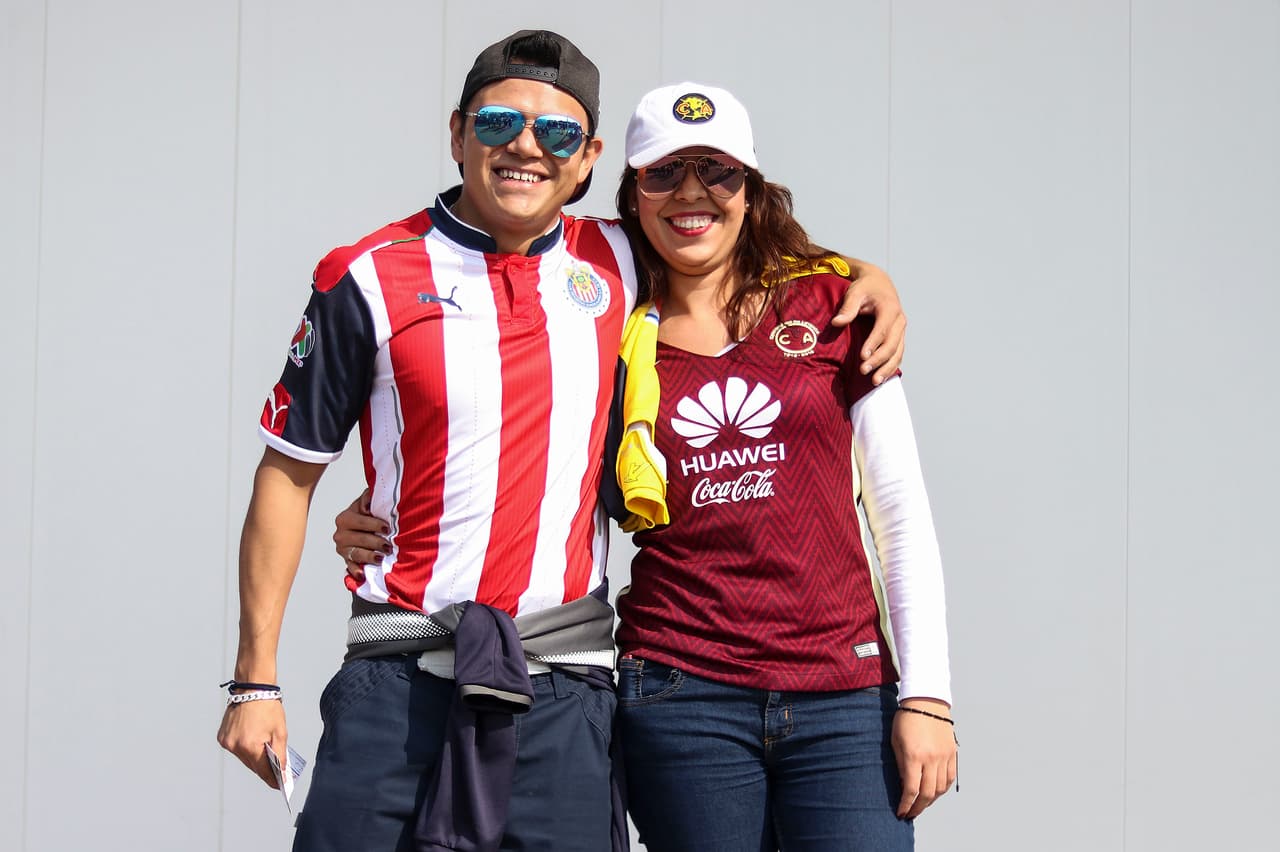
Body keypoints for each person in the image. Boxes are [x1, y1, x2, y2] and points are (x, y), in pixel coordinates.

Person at [220, 28, 905, 852]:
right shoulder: (364, 274)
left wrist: (865, 275)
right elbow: (286, 475)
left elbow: (726, 239)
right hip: (398, 677)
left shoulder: (619, 258)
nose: (525, 148)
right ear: (456, 132)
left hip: (564, 687)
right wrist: (252, 680)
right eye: (499, 121)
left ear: (586, 160)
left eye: (556, 134)